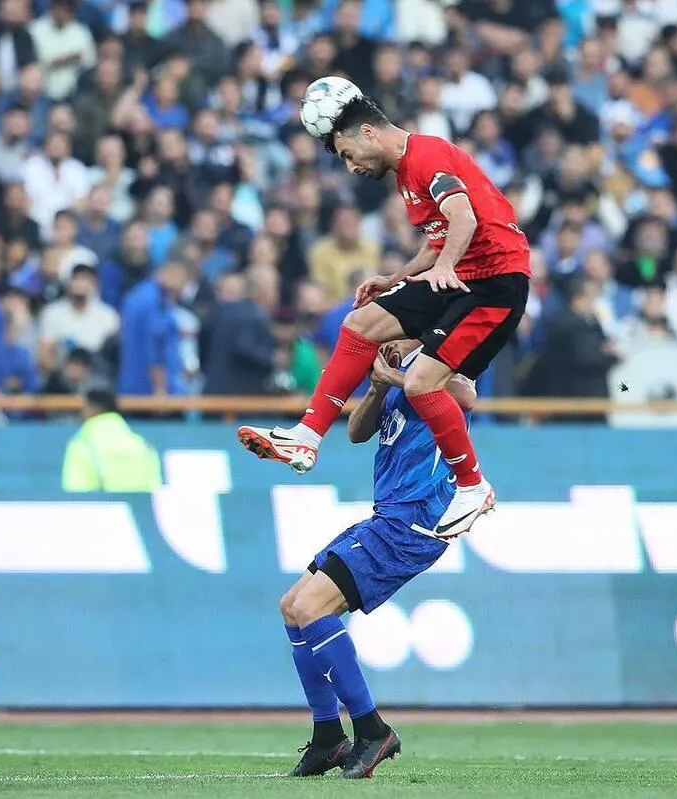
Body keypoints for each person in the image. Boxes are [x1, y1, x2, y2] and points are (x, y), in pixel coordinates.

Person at [237, 95, 530, 539]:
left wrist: (445, 267)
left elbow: (463, 218)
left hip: (495, 282)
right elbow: (438, 240)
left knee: (420, 384)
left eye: (348, 154)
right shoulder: (407, 172)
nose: (351, 167)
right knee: (360, 324)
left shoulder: (427, 155)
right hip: (461, 274)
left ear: (369, 133)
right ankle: (307, 436)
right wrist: (395, 278)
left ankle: (472, 486)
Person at [280, 338, 477, 780]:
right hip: (388, 513)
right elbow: (356, 432)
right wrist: (376, 386)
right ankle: (328, 737)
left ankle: (373, 730)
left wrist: (396, 376)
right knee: (292, 606)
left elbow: (466, 395)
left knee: (311, 607)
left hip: (417, 517)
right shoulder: (395, 364)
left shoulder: (440, 355)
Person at [61, 387, 162, 492]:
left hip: (103, 503)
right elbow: (154, 491)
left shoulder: (82, 445)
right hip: (139, 502)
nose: (81, 414)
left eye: (84, 408)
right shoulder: (144, 446)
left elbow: (77, 495)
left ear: (93, 408)